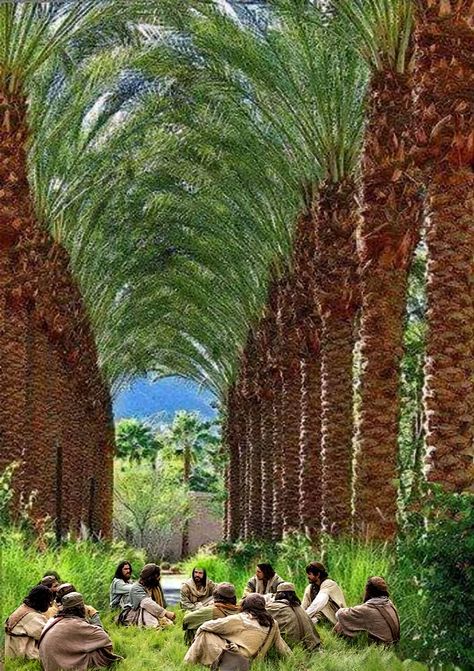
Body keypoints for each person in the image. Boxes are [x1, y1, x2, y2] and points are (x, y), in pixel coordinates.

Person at [184, 593, 291, 667]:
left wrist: (195, 639)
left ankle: (187, 664)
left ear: (245, 605)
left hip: (235, 661)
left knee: (205, 633)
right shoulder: (273, 623)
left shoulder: (241, 618)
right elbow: (282, 647)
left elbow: (206, 626)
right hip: (254, 663)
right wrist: (295, 661)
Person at [39, 592, 122, 670]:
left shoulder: (54, 619)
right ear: (81, 608)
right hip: (63, 666)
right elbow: (104, 638)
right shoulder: (76, 624)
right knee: (100, 652)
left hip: (49, 666)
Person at [335, 576, 400, 646]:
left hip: (381, 647)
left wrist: (342, 608)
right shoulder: (389, 603)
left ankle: (334, 645)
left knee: (341, 624)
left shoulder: (367, 610)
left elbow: (339, 614)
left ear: (368, 591)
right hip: (392, 644)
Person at [266, 582, 320, 650]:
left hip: (289, 647)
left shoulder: (275, 607)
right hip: (309, 646)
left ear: (279, 594)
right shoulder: (300, 608)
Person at [5, 585, 53, 660]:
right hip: (23, 655)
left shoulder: (24, 608)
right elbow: (48, 636)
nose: (50, 605)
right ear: (42, 601)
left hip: (12, 652)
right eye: (48, 601)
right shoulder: (31, 617)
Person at [121, 563, 175, 628]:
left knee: (168, 624)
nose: (159, 578)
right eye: (157, 576)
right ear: (151, 577)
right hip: (137, 613)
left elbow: (162, 603)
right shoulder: (136, 588)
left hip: (156, 611)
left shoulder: (155, 585)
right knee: (146, 609)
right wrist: (165, 613)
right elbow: (147, 603)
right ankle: (154, 626)